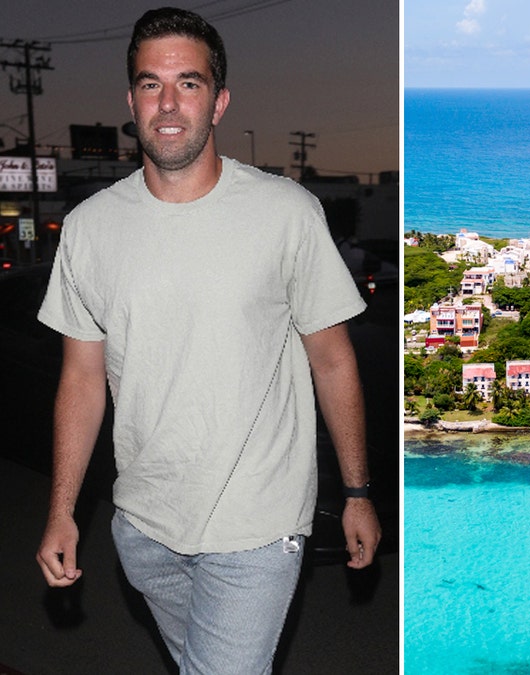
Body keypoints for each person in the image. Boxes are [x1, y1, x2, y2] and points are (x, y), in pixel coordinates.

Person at [34, 7, 381, 672]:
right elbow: (81, 378)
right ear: (130, 99)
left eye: (188, 84)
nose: (168, 104)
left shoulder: (286, 214)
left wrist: (358, 493)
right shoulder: (88, 229)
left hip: (256, 524)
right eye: (150, 84)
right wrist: (62, 510)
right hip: (143, 527)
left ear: (218, 101)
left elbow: (333, 360)